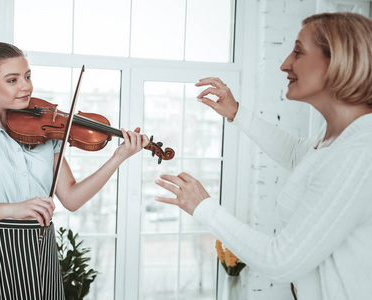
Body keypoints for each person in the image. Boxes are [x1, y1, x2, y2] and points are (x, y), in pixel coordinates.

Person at [155, 12, 372, 300]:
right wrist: (236, 113)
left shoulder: (357, 154)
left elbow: (281, 262)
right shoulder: (337, 136)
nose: (285, 64)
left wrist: (202, 206)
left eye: (298, 51)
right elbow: (298, 155)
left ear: (338, 62)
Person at [0, 42, 150, 299]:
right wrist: (13, 208)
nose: (25, 86)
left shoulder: (46, 133)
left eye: (27, 76)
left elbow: (71, 198)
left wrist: (118, 157)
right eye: (12, 80)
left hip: (42, 250)